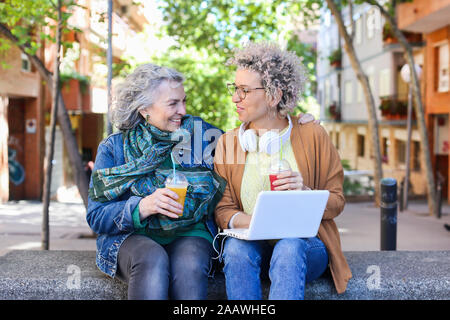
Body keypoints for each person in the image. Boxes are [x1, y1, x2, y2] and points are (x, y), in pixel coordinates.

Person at [213, 41, 352, 300]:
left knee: (289, 246)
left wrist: (307, 193)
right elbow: (223, 210)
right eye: (234, 88)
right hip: (253, 247)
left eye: (244, 90)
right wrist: (259, 223)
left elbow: (337, 202)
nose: (235, 98)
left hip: (305, 249)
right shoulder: (228, 143)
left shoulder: (312, 135)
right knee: (234, 250)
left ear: (274, 95)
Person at [86, 63, 227, 300]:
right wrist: (143, 207)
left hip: (191, 232)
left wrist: (298, 123)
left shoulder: (204, 138)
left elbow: (249, 137)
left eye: (184, 101)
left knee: (190, 264)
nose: (182, 110)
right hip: (132, 236)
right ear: (144, 109)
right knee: (151, 259)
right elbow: (96, 216)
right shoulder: (114, 148)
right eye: (172, 103)